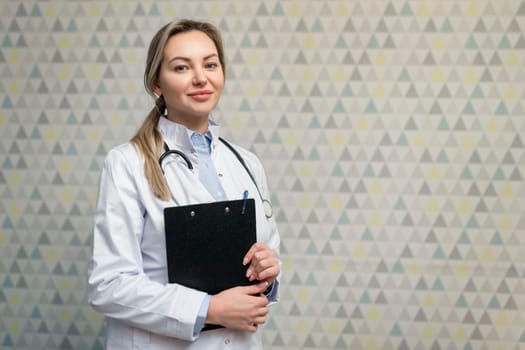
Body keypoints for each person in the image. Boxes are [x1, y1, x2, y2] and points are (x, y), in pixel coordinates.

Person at [87, 19, 281, 349]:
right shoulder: (127, 164)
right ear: (157, 84)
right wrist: (209, 309)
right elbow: (108, 285)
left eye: (210, 64)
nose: (200, 77)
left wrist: (268, 273)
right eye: (181, 67)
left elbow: (267, 255)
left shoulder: (247, 163)